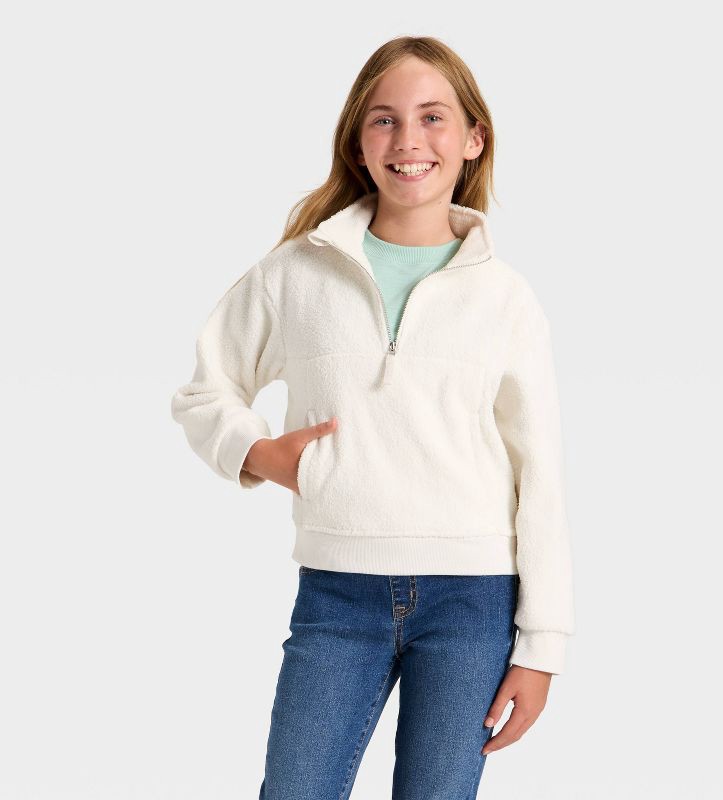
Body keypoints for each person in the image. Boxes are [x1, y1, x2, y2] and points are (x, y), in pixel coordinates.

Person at [171, 35, 576, 800]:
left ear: (473, 138)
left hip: (472, 602)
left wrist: (542, 646)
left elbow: (541, 477)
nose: (408, 139)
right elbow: (203, 391)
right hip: (337, 596)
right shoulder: (297, 273)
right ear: (359, 144)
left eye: (432, 117)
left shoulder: (507, 299)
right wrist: (259, 453)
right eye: (384, 120)